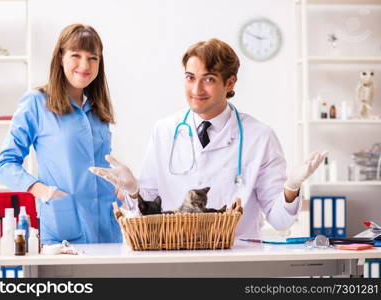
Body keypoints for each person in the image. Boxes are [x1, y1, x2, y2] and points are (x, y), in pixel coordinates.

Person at [91, 38, 326, 238]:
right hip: (174, 257)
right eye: (190, 77)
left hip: (237, 259)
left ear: (230, 82)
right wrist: (132, 190)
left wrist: (291, 188)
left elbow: (280, 221)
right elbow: (148, 210)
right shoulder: (164, 130)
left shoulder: (260, 136)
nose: (196, 89)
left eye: (209, 79)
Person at [0, 24, 122, 244]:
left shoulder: (98, 108)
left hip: (108, 229)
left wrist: (119, 188)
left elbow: (100, 165)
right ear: (60, 57)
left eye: (93, 58)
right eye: (76, 55)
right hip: (64, 228)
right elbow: (4, 164)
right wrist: (43, 191)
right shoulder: (36, 102)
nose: (85, 65)